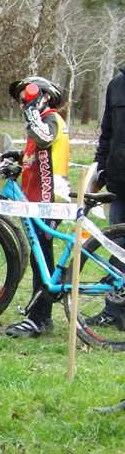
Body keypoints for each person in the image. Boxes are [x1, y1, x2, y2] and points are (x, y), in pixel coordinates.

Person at [3, 75, 69, 338]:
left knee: (41, 259)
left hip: (48, 199)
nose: (23, 105)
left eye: (26, 98)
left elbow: (45, 139)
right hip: (37, 198)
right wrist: (18, 156)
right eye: (21, 102)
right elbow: (38, 153)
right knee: (39, 257)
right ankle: (44, 316)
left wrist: (32, 110)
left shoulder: (50, 118)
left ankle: (37, 319)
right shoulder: (41, 120)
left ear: (44, 97)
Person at [87, 63, 125, 331]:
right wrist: (99, 172)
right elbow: (107, 134)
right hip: (119, 184)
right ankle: (113, 311)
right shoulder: (117, 84)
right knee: (118, 249)